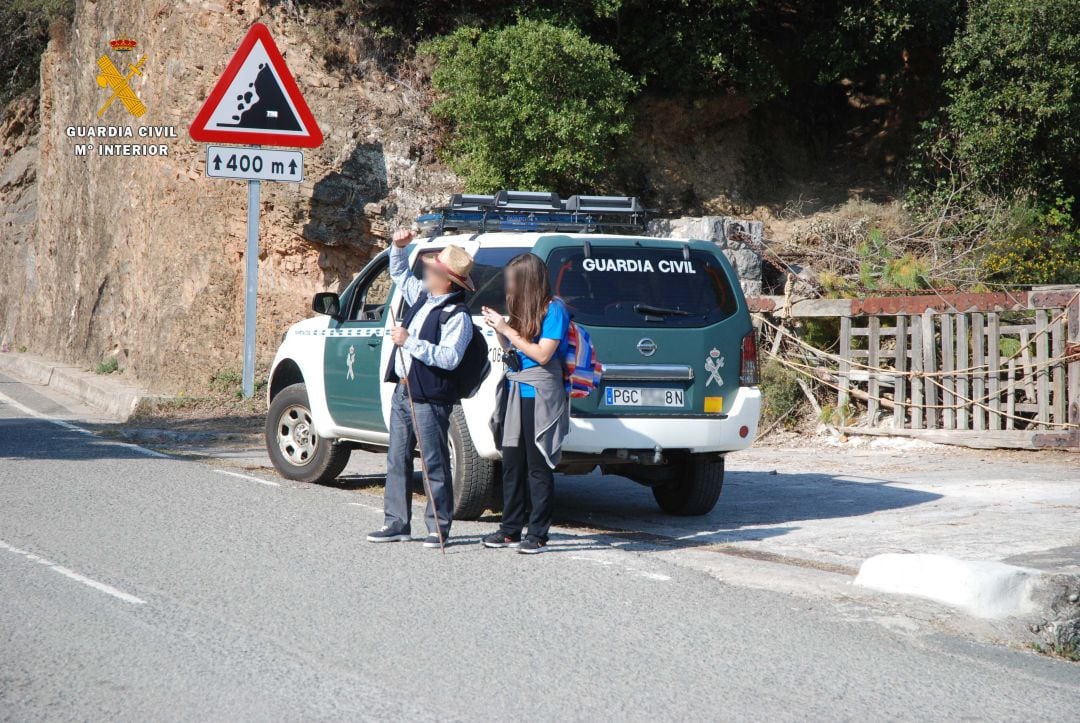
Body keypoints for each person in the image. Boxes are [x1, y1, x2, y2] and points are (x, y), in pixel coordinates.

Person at [366, 229, 475, 548]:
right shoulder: (423, 297)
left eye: (432, 270)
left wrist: (409, 342)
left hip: (430, 398)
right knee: (397, 458)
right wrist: (397, 248)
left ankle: (439, 527)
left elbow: (450, 358)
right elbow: (399, 272)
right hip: (403, 391)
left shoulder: (458, 316)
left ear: (446, 280)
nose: (425, 271)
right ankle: (396, 522)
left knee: (433, 462)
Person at [480, 253, 571, 554]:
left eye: (511, 280)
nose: (508, 285)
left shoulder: (554, 309)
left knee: (537, 465)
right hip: (515, 390)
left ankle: (538, 533)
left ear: (527, 280)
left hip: (540, 394)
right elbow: (513, 349)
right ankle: (510, 529)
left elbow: (543, 355)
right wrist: (498, 328)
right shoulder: (521, 308)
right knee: (511, 464)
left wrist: (508, 331)